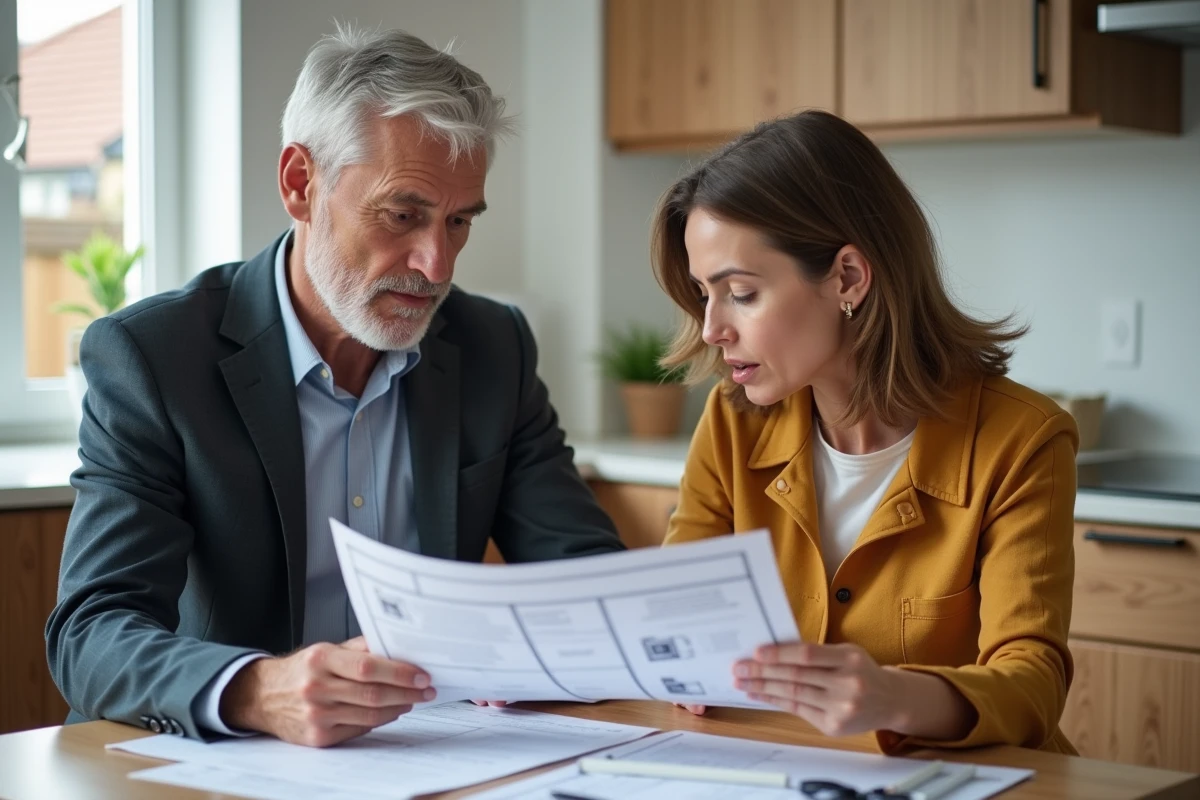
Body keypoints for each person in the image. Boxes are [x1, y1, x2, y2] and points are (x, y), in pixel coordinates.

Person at [46, 25, 622, 748]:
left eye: (458, 222)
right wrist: (257, 689)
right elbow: (91, 633)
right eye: (403, 214)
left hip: (431, 755)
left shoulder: (492, 347)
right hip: (212, 764)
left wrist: (542, 651)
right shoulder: (154, 358)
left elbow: (586, 581)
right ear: (300, 183)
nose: (437, 265)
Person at [652, 110, 1077, 755]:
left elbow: (1033, 684)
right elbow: (676, 614)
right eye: (703, 294)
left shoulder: (1022, 440)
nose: (712, 329)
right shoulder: (731, 423)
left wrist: (895, 696)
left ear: (847, 277)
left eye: (740, 292)